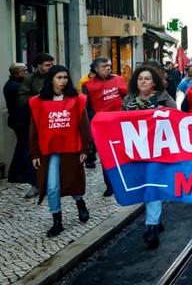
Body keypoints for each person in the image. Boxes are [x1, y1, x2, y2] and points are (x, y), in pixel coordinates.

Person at [28, 65, 91, 237]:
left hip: (72, 148)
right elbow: (34, 129)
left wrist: (85, 149)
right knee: (52, 186)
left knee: (73, 180)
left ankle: (80, 203)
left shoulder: (76, 100)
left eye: (65, 77)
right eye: (59, 77)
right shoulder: (38, 102)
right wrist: (34, 153)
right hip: (49, 150)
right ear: (51, 80)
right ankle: (57, 221)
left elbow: (83, 125)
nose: (63, 81)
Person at [122, 65, 177, 249]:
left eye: (147, 78)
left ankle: (151, 227)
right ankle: (156, 219)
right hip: (136, 151)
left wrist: (164, 114)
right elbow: (120, 123)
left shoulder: (164, 99)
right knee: (144, 187)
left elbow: (176, 119)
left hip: (157, 151)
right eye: (140, 78)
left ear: (154, 83)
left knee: (152, 185)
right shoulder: (128, 101)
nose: (143, 81)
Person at [82, 57, 128, 196]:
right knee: (106, 156)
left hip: (119, 122)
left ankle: (125, 180)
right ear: (96, 69)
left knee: (122, 153)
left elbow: (127, 97)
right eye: (104, 66)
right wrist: (95, 121)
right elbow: (87, 107)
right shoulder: (88, 85)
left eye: (108, 65)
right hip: (102, 125)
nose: (108, 68)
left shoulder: (119, 79)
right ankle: (110, 185)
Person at [4, 63, 37, 198]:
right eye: (25, 71)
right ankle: (18, 173)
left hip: (19, 120)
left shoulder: (13, 84)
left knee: (22, 146)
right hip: (20, 121)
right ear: (17, 73)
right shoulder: (15, 86)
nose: (27, 73)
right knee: (23, 147)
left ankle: (17, 173)